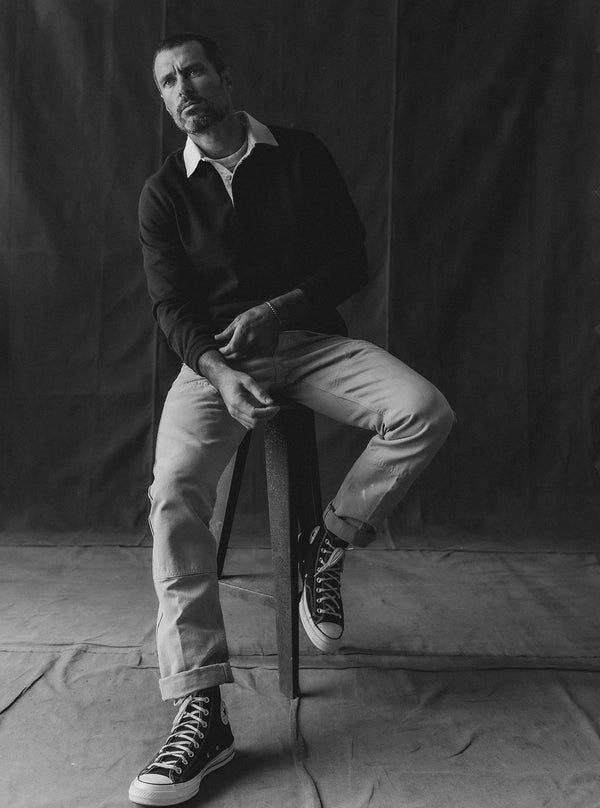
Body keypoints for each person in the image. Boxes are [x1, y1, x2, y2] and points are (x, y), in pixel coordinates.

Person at [129, 32, 454, 807]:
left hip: (308, 342)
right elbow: (171, 306)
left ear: (226, 79)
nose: (184, 88)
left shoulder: (300, 153)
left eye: (195, 71)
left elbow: (350, 258)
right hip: (214, 363)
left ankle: (327, 548)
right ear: (167, 100)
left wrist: (280, 310)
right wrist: (217, 370)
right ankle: (201, 707)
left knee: (423, 411)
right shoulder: (163, 193)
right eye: (169, 82)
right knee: (173, 489)